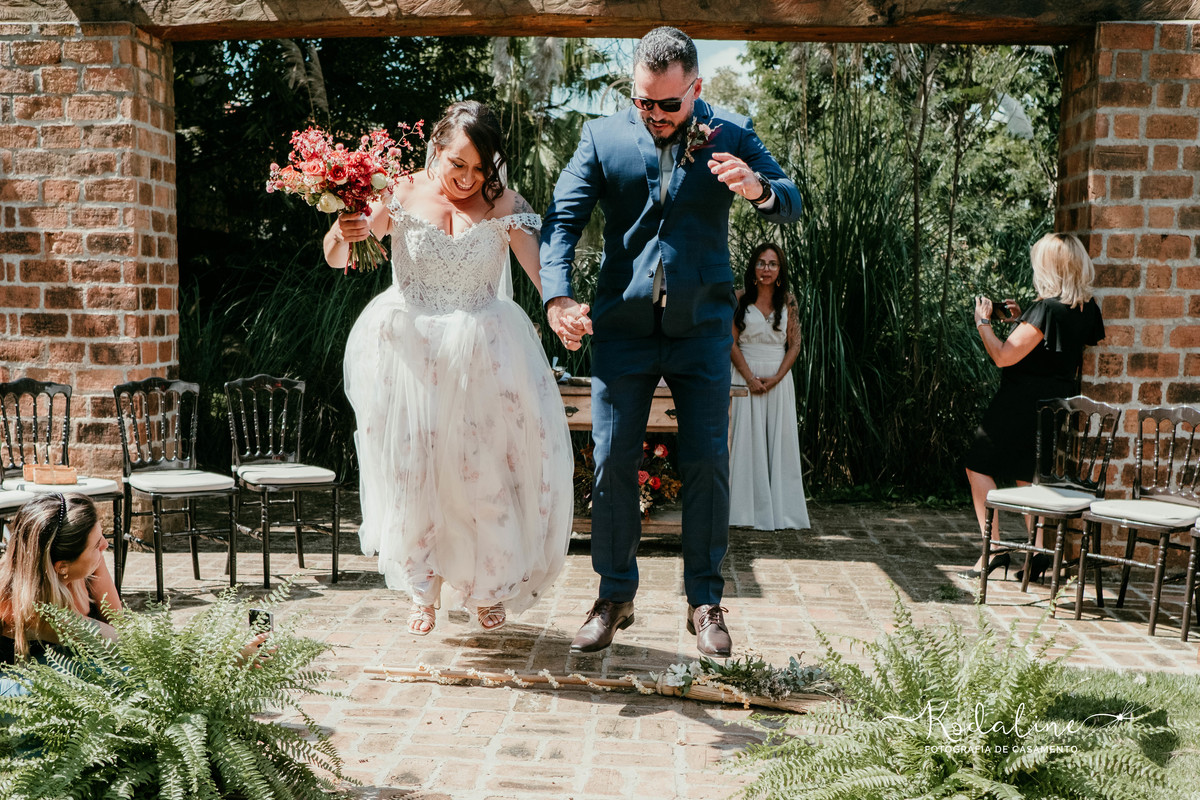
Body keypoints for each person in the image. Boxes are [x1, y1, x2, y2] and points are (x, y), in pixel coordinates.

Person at [541, 27, 802, 657]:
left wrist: (758, 190)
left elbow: (790, 201)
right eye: (643, 103)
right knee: (608, 460)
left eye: (668, 104)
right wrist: (558, 298)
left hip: (703, 331)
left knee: (708, 461)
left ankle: (704, 600)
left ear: (696, 89)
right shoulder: (602, 137)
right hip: (623, 331)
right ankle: (614, 594)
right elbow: (561, 223)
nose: (654, 116)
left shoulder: (732, 133)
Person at [324, 101, 573, 636]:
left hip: (485, 352)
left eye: (481, 167)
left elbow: (540, 271)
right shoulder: (398, 190)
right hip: (411, 352)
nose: (469, 178)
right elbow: (340, 253)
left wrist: (561, 307)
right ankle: (422, 586)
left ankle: (488, 584)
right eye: (458, 163)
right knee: (414, 470)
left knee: (483, 472)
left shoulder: (503, 203)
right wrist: (345, 233)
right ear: (436, 148)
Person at [961, 232, 1105, 580]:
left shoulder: (1044, 310)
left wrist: (983, 322)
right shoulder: (1086, 308)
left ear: (1049, 266)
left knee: (977, 464)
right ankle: (1039, 551)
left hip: (1019, 401)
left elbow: (1002, 356)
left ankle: (993, 548)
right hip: (1054, 405)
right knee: (1027, 475)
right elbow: (1052, 344)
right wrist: (1021, 320)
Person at [728, 243, 810, 531]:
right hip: (743, 377)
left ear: (780, 270)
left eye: (772, 264)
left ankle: (782, 511)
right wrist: (749, 377)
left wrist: (776, 378)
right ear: (753, 267)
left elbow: (795, 344)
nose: (766, 269)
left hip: (778, 379)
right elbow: (730, 341)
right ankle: (742, 511)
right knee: (744, 440)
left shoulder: (789, 301)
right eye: (761, 263)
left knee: (779, 440)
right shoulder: (738, 299)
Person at [0, 493, 122, 663]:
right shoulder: (27, 607)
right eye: (95, 546)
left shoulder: (92, 563)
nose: (105, 545)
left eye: (102, 535)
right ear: (62, 566)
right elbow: (118, 642)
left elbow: (120, 626)